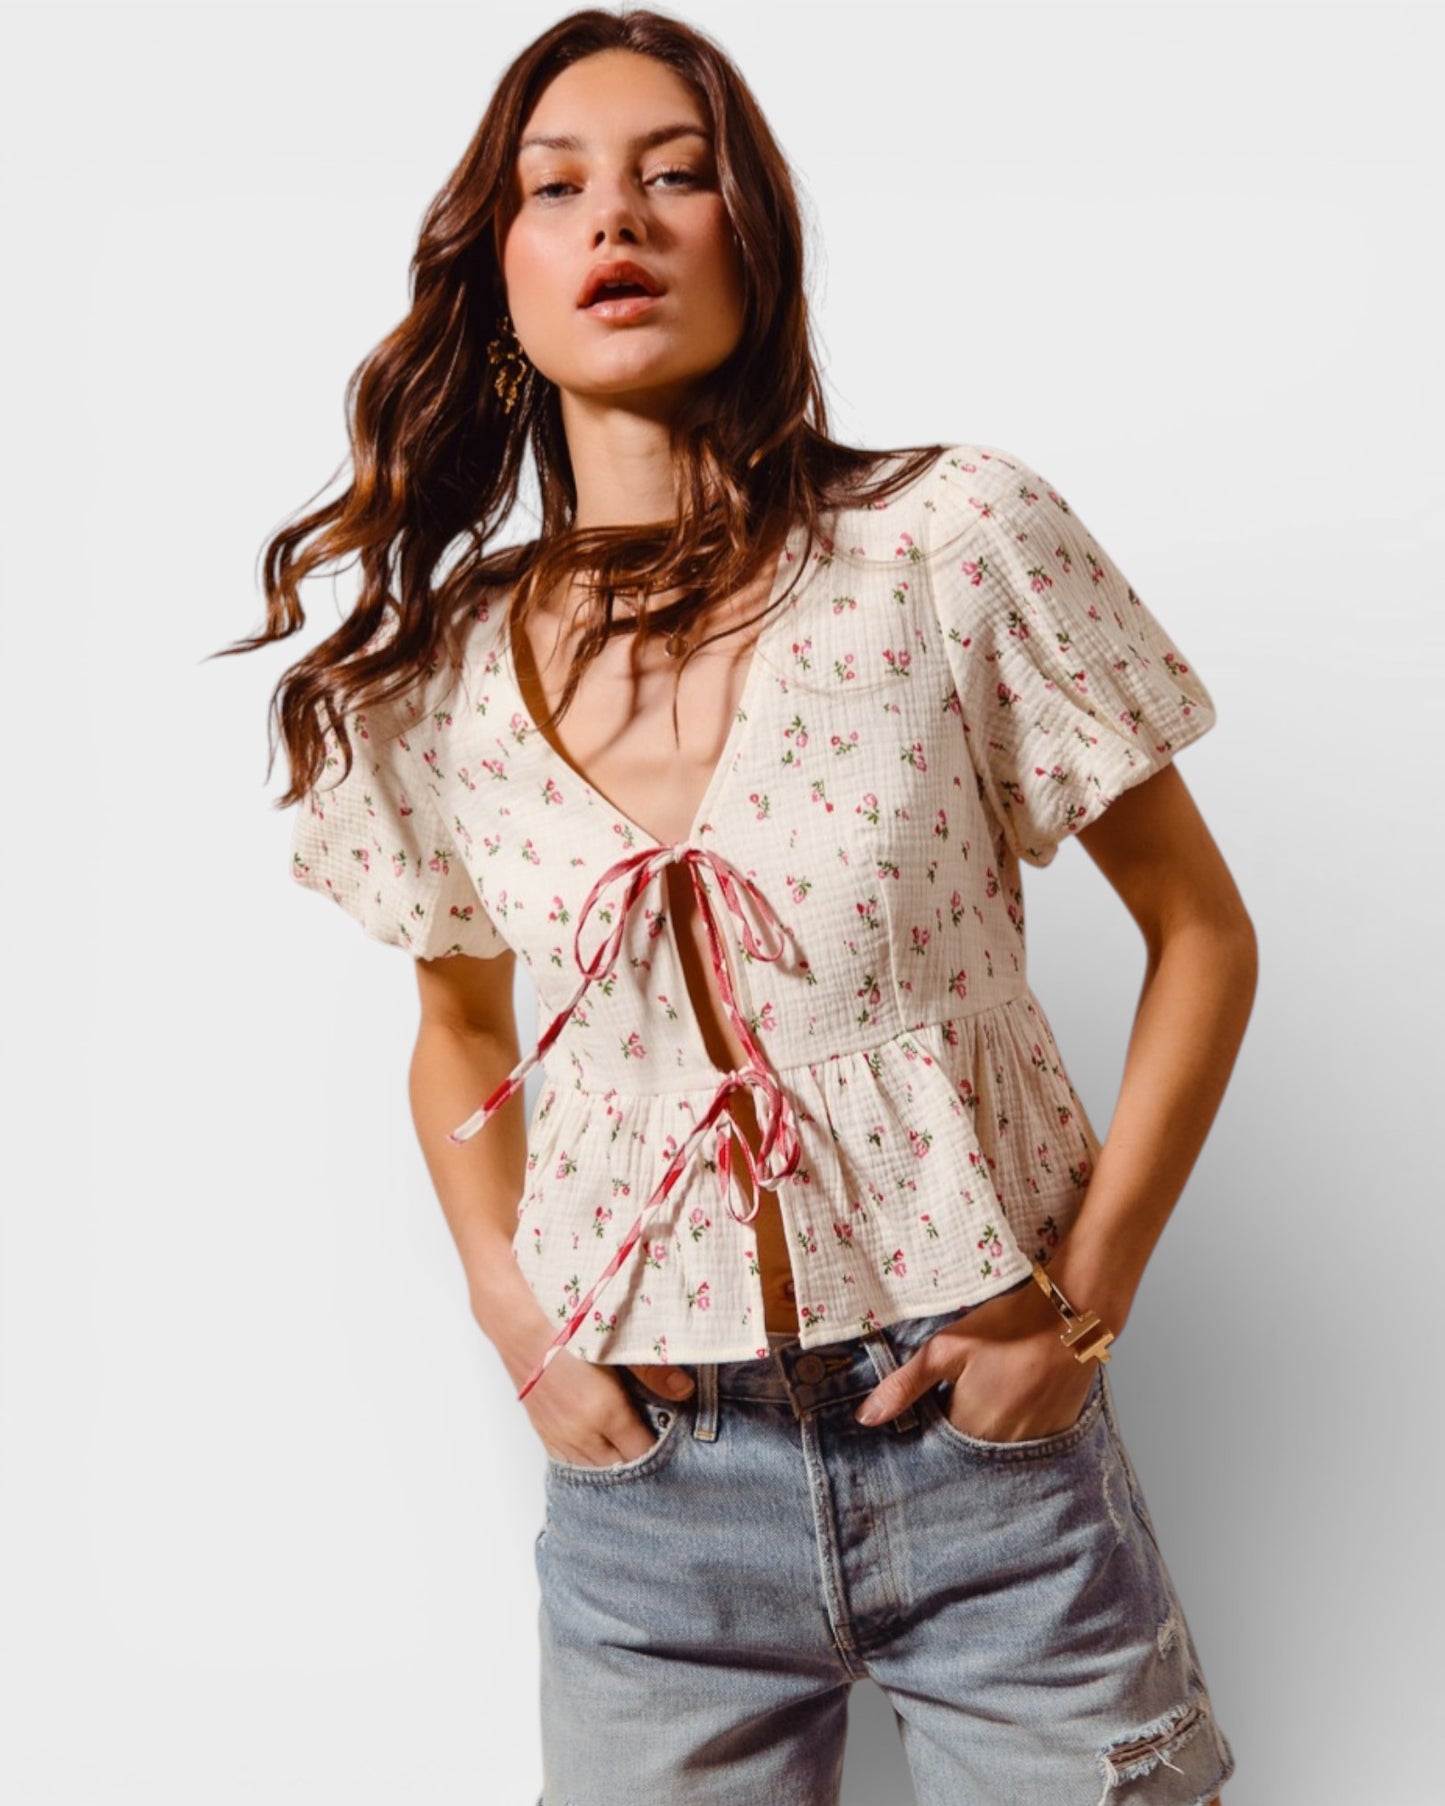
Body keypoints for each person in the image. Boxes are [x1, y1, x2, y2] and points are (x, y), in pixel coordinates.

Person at [251, 9, 1255, 1801]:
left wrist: (1082, 1305)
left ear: (754, 236)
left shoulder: (947, 545)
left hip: (987, 1463)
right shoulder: (440, 676)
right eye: (556, 190)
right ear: (502, 275)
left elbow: (1203, 929)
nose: (615, 221)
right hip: (651, 1505)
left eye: (674, 174)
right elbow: (459, 1032)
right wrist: (516, 1318)